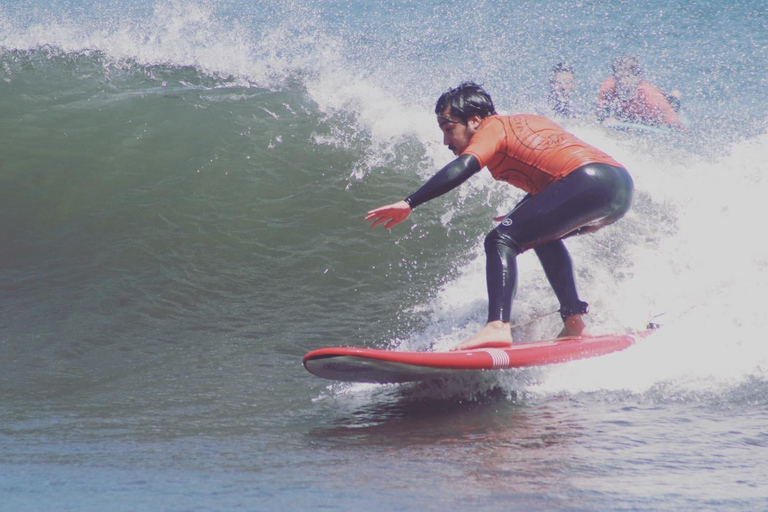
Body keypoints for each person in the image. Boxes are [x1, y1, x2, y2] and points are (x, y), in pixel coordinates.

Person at [366, 82, 634, 351]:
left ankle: (497, 327)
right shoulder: (523, 122)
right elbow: (554, 166)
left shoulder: (490, 128)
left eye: (449, 130)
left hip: (587, 181)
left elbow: (465, 166)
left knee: (500, 241)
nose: (446, 141)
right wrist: (527, 210)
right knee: (542, 236)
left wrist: (410, 202)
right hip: (617, 186)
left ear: (473, 121)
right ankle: (575, 324)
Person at [596, 55, 685, 130]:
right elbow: (601, 113)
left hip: (654, 113)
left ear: (637, 78)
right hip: (630, 112)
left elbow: (674, 123)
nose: (622, 81)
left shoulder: (650, 96)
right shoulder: (608, 87)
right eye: (618, 77)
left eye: (627, 77)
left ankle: (674, 96)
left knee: (673, 105)